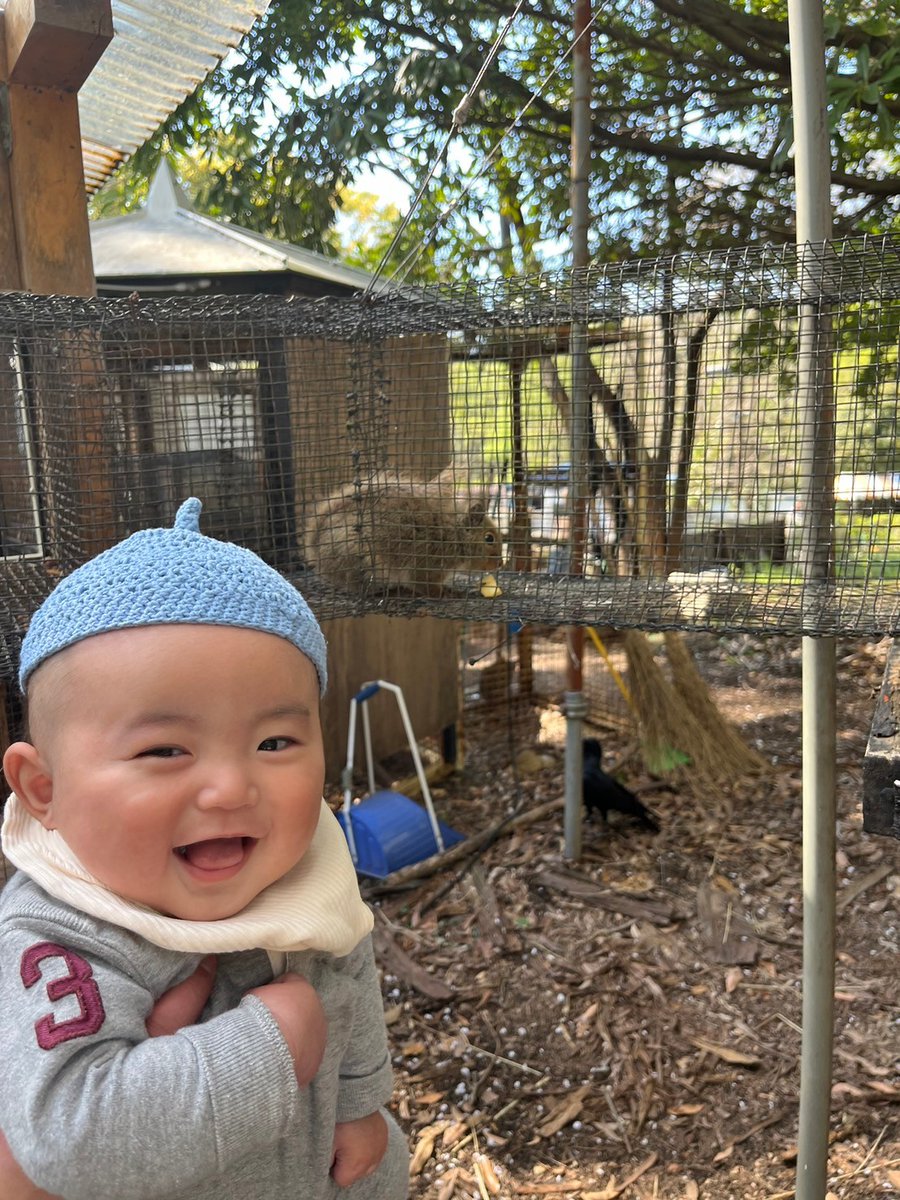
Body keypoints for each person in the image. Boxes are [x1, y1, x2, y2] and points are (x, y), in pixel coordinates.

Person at [0, 498, 409, 1200]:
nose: (228, 788)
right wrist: (272, 1043)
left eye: (274, 742)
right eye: (164, 749)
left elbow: (349, 973)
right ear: (45, 789)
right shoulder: (60, 929)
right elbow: (73, 1138)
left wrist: (359, 1100)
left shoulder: (305, 863)